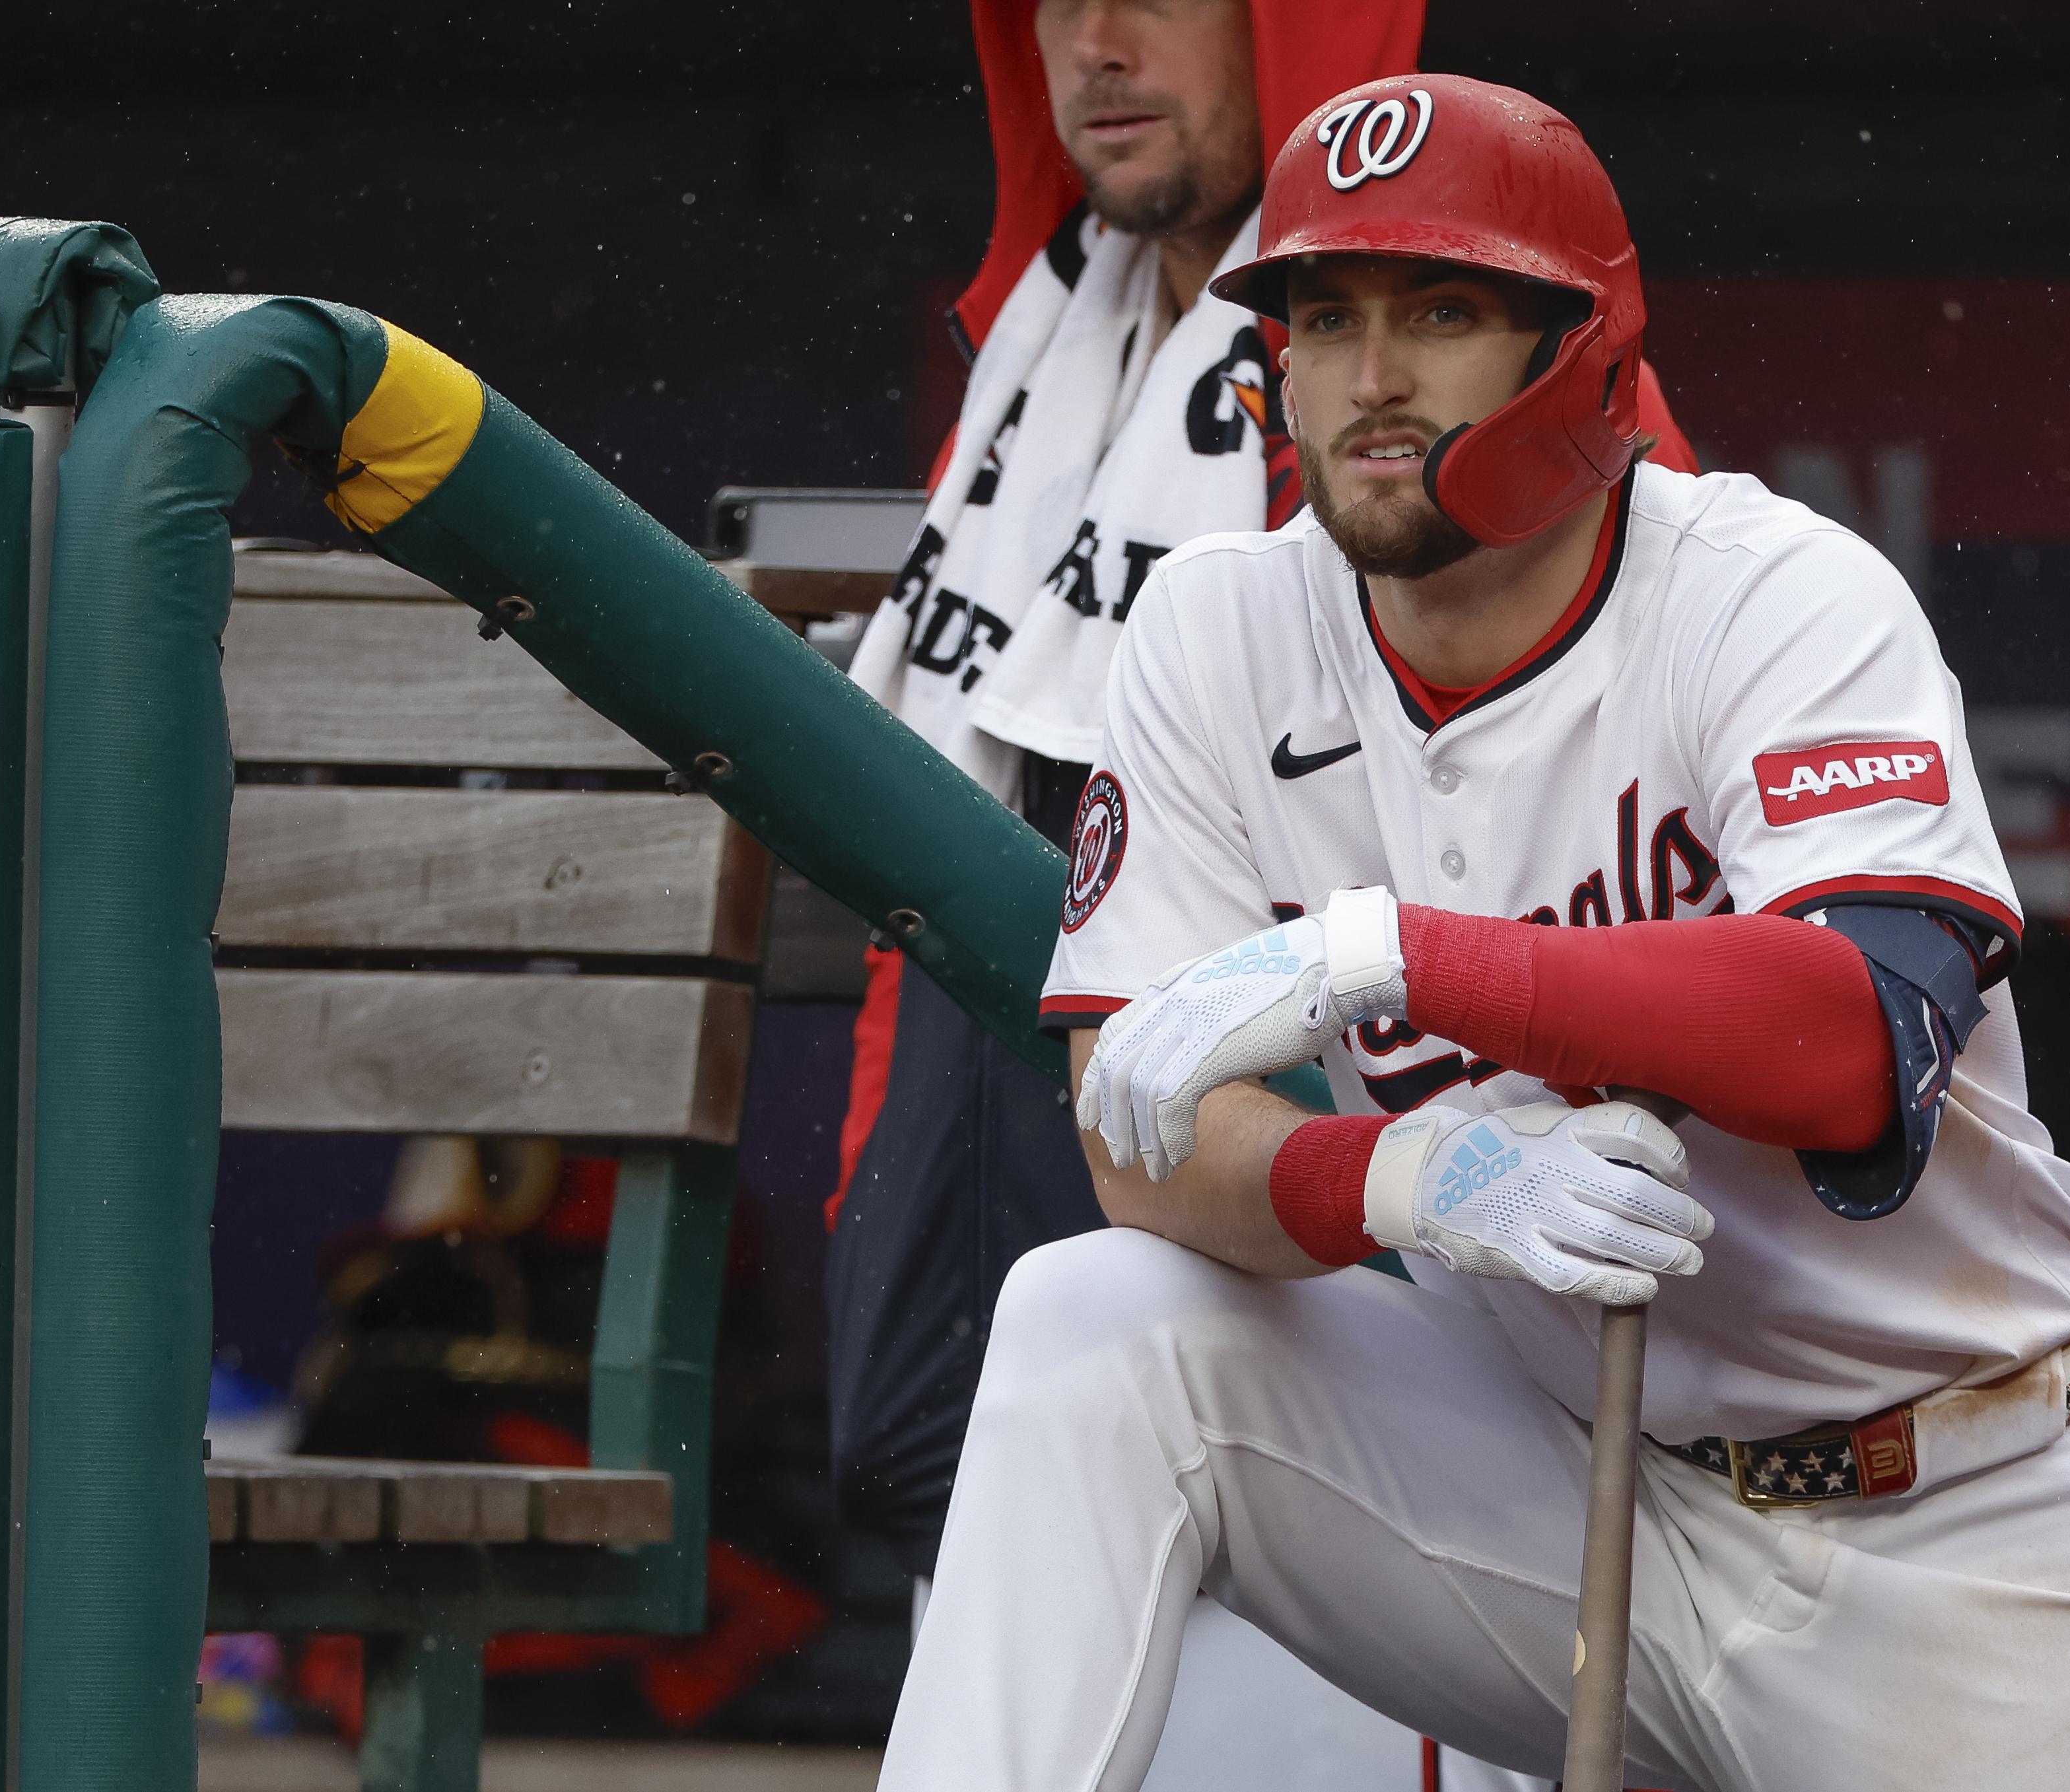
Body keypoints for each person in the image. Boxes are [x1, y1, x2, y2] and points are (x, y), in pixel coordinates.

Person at [878, 75, 2070, 1791]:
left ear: (1577, 349)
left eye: (1441, 310)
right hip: (1553, 1489)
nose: (1367, 376)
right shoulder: (1218, 625)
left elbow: (1858, 1028)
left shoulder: (1770, 590)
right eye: (1325, 316)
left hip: (1948, 1515)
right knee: (1097, 1317)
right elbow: (1137, 1129)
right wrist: (1397, 1185)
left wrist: (1398, 957)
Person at [827, 5, 1692, 1783]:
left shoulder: (1474, 394)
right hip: (1055, 1089)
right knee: (961, 1426)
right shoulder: (1045, 351)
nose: (1101, 47)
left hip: (1389, 1230)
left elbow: (1627, 797)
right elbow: (941, 805)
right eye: (1054, 3)